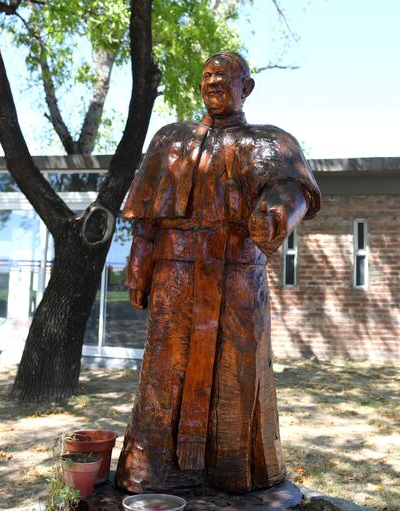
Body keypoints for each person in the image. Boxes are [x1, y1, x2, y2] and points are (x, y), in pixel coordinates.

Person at [116, 51, 320, 493]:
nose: (212, 82)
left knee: (237, 369)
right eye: (206, 75)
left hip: (237, 277)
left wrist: (276, 214)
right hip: (175, 276)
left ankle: (232, 472)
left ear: (245, 88)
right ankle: (152, 469)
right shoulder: (170, 140)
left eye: (223, 77)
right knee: (163, 368)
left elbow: (293, 190)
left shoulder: (269, 142)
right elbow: (146, 217)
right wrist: (138, 265)